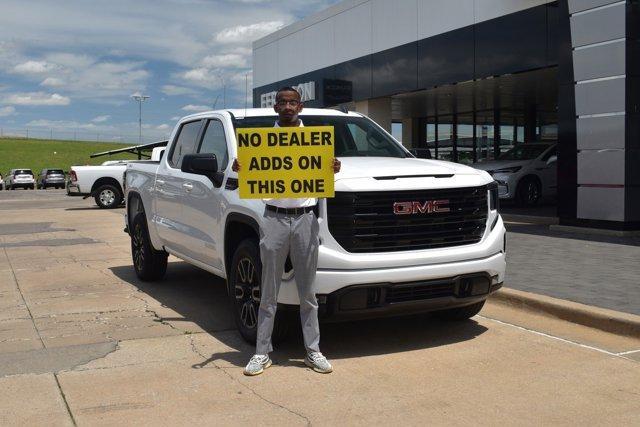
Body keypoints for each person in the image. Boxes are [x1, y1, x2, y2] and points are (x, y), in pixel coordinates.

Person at [232, 87, 341, 376]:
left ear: (300, 107)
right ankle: (261, 352)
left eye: (293, 102)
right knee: (268, 291)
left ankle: (313, 350)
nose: (288, 107)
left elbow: (324, 172)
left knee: (308, 293)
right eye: (283, 102)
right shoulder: (260, 142)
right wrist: (239, 167)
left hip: (306, 218)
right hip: (273, 219)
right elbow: (248, 173)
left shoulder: (315, 141)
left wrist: (333, 167)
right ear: (276, 108)